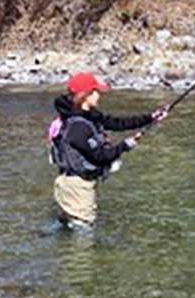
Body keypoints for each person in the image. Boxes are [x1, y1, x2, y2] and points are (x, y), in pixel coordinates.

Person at [50, 72, 168, 229]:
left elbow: (117, 123)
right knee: (83, 234)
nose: (99, 95)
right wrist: (124, 146)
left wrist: (151, 117)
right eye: (96, 92)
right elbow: (100, 157)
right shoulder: (78, 127)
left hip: (71, 185)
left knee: (66, 227)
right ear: (86, 96)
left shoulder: (88, 116)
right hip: (77, 187)